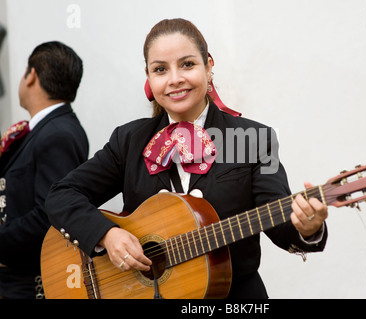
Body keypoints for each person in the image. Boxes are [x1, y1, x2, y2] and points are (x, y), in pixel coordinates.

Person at [45, 18, 328, 299]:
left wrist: (308, 227)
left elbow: (279, 224)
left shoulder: (254, 139)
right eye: (160, 69)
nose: (175, 79)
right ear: (149, 77)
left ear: (209, 66)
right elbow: (61, 195)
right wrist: (106, 234)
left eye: (188, 64)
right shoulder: (129, 141)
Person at [0, 41, 89, 298]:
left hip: (29, 282)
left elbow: (49, 214)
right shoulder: (47, 129)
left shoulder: (58, 133)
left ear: (32, 75)